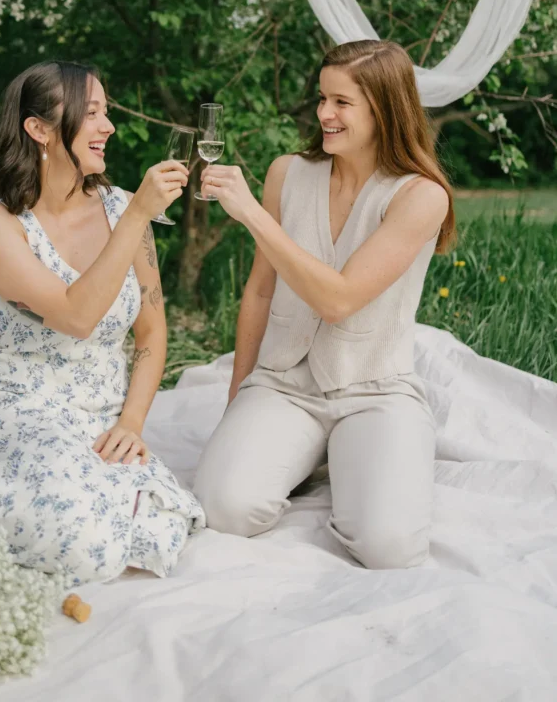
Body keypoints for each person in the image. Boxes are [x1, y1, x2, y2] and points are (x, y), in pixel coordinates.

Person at [0, 60, 204, 584]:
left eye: (107, 112)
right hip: (25, 410)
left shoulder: (122, 208)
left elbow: (151, 331)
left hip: (102, 415)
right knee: (85, 548)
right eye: (94, 112)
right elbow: (76, 316)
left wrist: (131, 423)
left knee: (145, 534)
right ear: (38, 129)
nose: (109, 126)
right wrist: (136, 216)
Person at [193, 40, 453, 570]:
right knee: (224, 508)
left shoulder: (419, 195)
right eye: (321, 98)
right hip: (284, 384)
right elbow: (262, 291)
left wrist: (252, 216)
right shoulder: (288, 173)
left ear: (385, 107)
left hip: (375, 391)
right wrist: (238, 399)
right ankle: (310, 453)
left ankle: (353, 455)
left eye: (341, 102)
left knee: (389, 547)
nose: (323, 114)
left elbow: (339, 300)